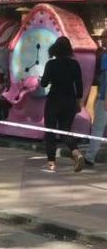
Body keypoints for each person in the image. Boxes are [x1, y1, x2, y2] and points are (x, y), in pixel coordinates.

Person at [40, 36, 85, 172]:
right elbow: (79, 86)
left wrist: (41, 80)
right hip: (70, 101)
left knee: (50, 132)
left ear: (55, 49)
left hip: (54, 100)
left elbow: (44, 83)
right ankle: (76, 152)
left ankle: (51, 163)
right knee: (65, 130)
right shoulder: (75, 64)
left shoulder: (51, 64)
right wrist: (78, 101)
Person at [85, 30, 107, 167]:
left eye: (104, 37)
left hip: (104, 98)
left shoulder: (105, 57)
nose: (102, 40)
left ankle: (90, 157)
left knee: (98, 128)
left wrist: (105, 99)